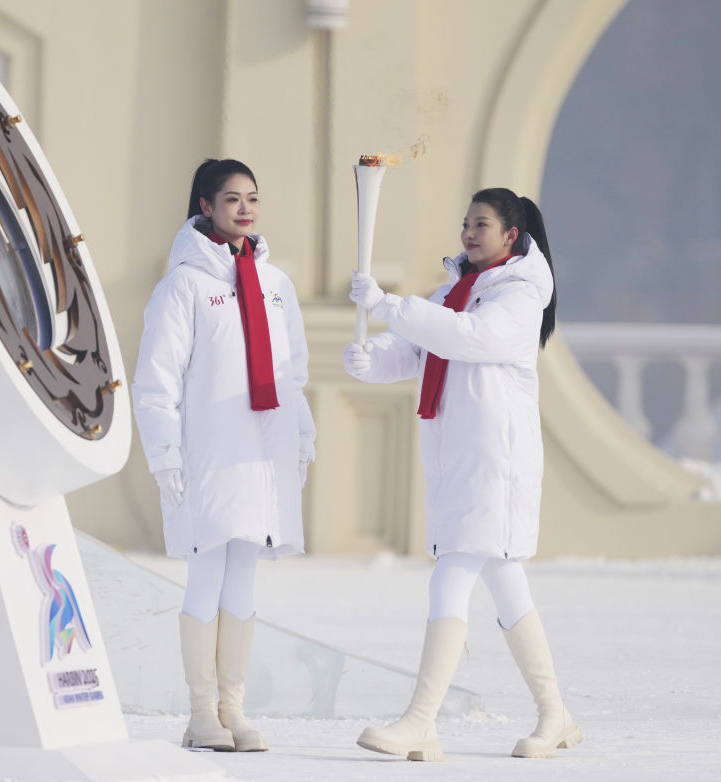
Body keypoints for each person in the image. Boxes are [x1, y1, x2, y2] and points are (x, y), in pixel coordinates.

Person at [343, 187, 581, 761]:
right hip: (458, 457)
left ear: (511, 235)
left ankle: (421, 721)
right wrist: (372, 359)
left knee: (452, 571)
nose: (469, 233)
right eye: (466, 223)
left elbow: (468, 338)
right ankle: (555, 715)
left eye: (482, 224)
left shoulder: (521, 294)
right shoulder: (457, 289)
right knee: (506, 581)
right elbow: (418, 349)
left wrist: (389, 304)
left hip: (497, 461)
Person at [132, 158, 316, 752]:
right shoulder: (184, 285)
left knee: (243, 577)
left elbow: (292, 373)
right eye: (232, 198)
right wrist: (165, 454)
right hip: (209, 452)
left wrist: (302, 437)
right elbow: (156, 379)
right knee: (206, 573)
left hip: (261, 454)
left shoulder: (276, 284)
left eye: (252, 198)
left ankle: (232, 709)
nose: (245, 209)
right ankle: (199, 714)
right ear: (206, 207)